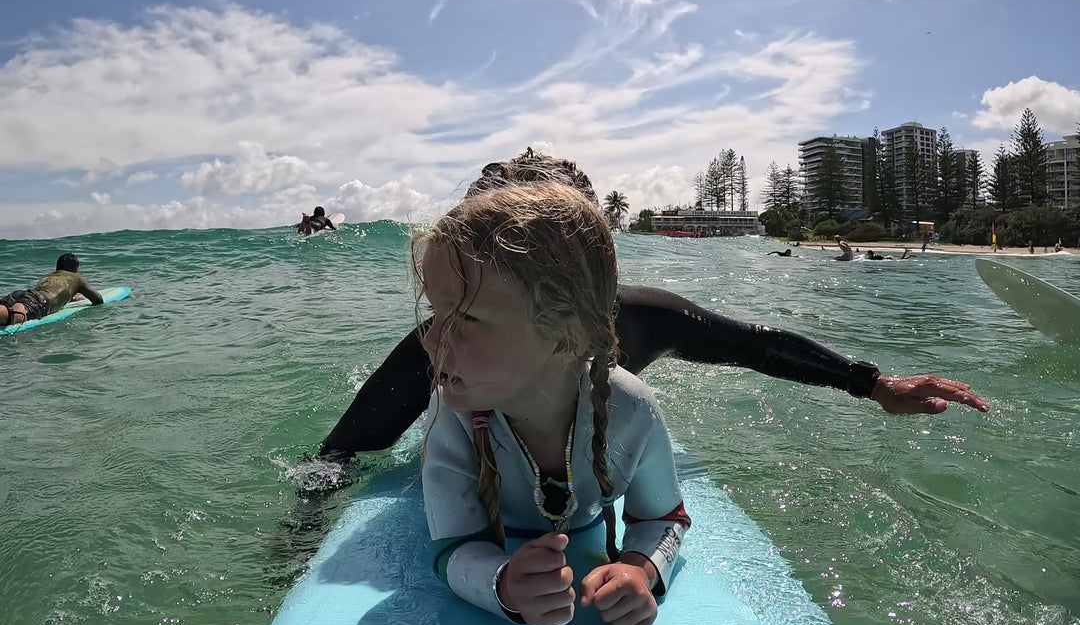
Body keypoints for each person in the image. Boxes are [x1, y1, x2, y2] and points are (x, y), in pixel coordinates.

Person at [318, 150, 988, 462]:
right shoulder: (443, 345)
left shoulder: (634, 320)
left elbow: (753, 344)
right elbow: (338, 454)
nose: (450, 329)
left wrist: (872, 382)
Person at [419, 182, 689, 625]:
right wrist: (502, 584)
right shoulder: (454, 414)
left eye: (465, 318)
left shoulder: (632, 409)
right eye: (436, 314)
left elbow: (663, 517)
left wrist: (639, 570)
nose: (429, 340)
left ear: (566, 338)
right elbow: (454, 544)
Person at [0, 254, 103, 327]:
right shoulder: (76, 278)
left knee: (7, 310)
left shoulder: (51, 276)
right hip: (39, 301)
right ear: (76, 270)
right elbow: (98, 300)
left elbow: (53, 293)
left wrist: (74, 299)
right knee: (14, 316)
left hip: (25, 294)